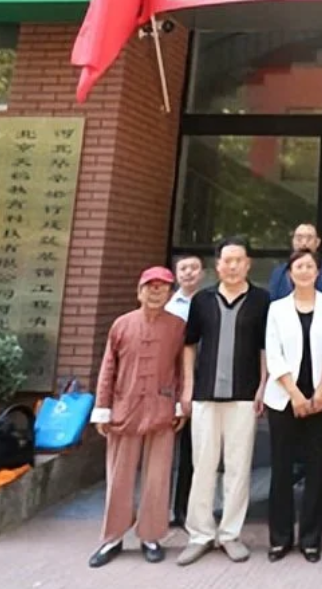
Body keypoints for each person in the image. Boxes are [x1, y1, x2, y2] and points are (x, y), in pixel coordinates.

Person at [178, 237, 270, 566]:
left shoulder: (261, 300)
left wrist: (263, 385)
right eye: (226, 260)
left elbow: (264, 347)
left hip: (244, 395)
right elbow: (189, 344)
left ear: (248, 264)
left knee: (238, 467)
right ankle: (200, 534)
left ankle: (230, 534)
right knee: (202, 465)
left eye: (238, 260)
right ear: (217, 265)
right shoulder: (202, 300)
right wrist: (188, 386)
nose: (232, 266)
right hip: (204, 394)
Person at [88, 267, 187, 568]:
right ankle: (113, 537)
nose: (156, 293)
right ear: (139, 291)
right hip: (124, 408)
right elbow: (108, 368)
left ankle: (151, 536)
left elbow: (183, 369)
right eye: (150, 287)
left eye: (163, 288)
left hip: (161, 409)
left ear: (170, 293)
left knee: (158, 476)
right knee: (119, 475)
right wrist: (103, 408)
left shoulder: (178, 326)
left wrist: (180, 405)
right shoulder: (122, 324)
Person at [262, 249, 322, 563]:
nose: (305, 271)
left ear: (318, 272)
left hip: (321, 398)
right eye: (299, 266)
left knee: (316, 469)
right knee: (281, 469)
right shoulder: (277, 308)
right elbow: (274, 354)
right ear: (289, 273)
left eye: (310, 266)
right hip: (284, 398)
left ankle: (310, 539)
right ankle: (280, 539)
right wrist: (295, 395)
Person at [165, 254, 203, 529]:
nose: (189, 273)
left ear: (202, 273)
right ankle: (160, 509)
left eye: (194, 268)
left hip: (200, 379)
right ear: (176, 274)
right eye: (183, 268)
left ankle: (183, 508)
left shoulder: (208, 302)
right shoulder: (167, 306)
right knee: (165, 450)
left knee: (192, 450)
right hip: (169, 381)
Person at [268, 222, 322, 302]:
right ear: (293, 241)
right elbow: (273, 300)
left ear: (317, 242)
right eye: (299, 238)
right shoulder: (279, 271)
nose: (304, 243)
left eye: (309, 239)